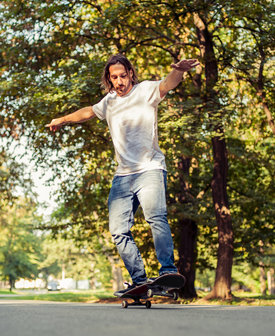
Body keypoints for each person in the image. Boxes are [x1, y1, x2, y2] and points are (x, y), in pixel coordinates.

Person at [47, 54, 199, 295]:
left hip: (150, 169)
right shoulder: (108, 102)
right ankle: (139, 279)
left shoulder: (145, 91)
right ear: (109, 79)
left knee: (156, 218)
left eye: (123, 76)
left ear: (130, 74)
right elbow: (87, 112)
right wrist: (63, 119)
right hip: (123, 176)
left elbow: (168, 83)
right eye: (114, 77)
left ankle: (167, 271)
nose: (119, 82)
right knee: (118, 230)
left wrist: (179, 71)